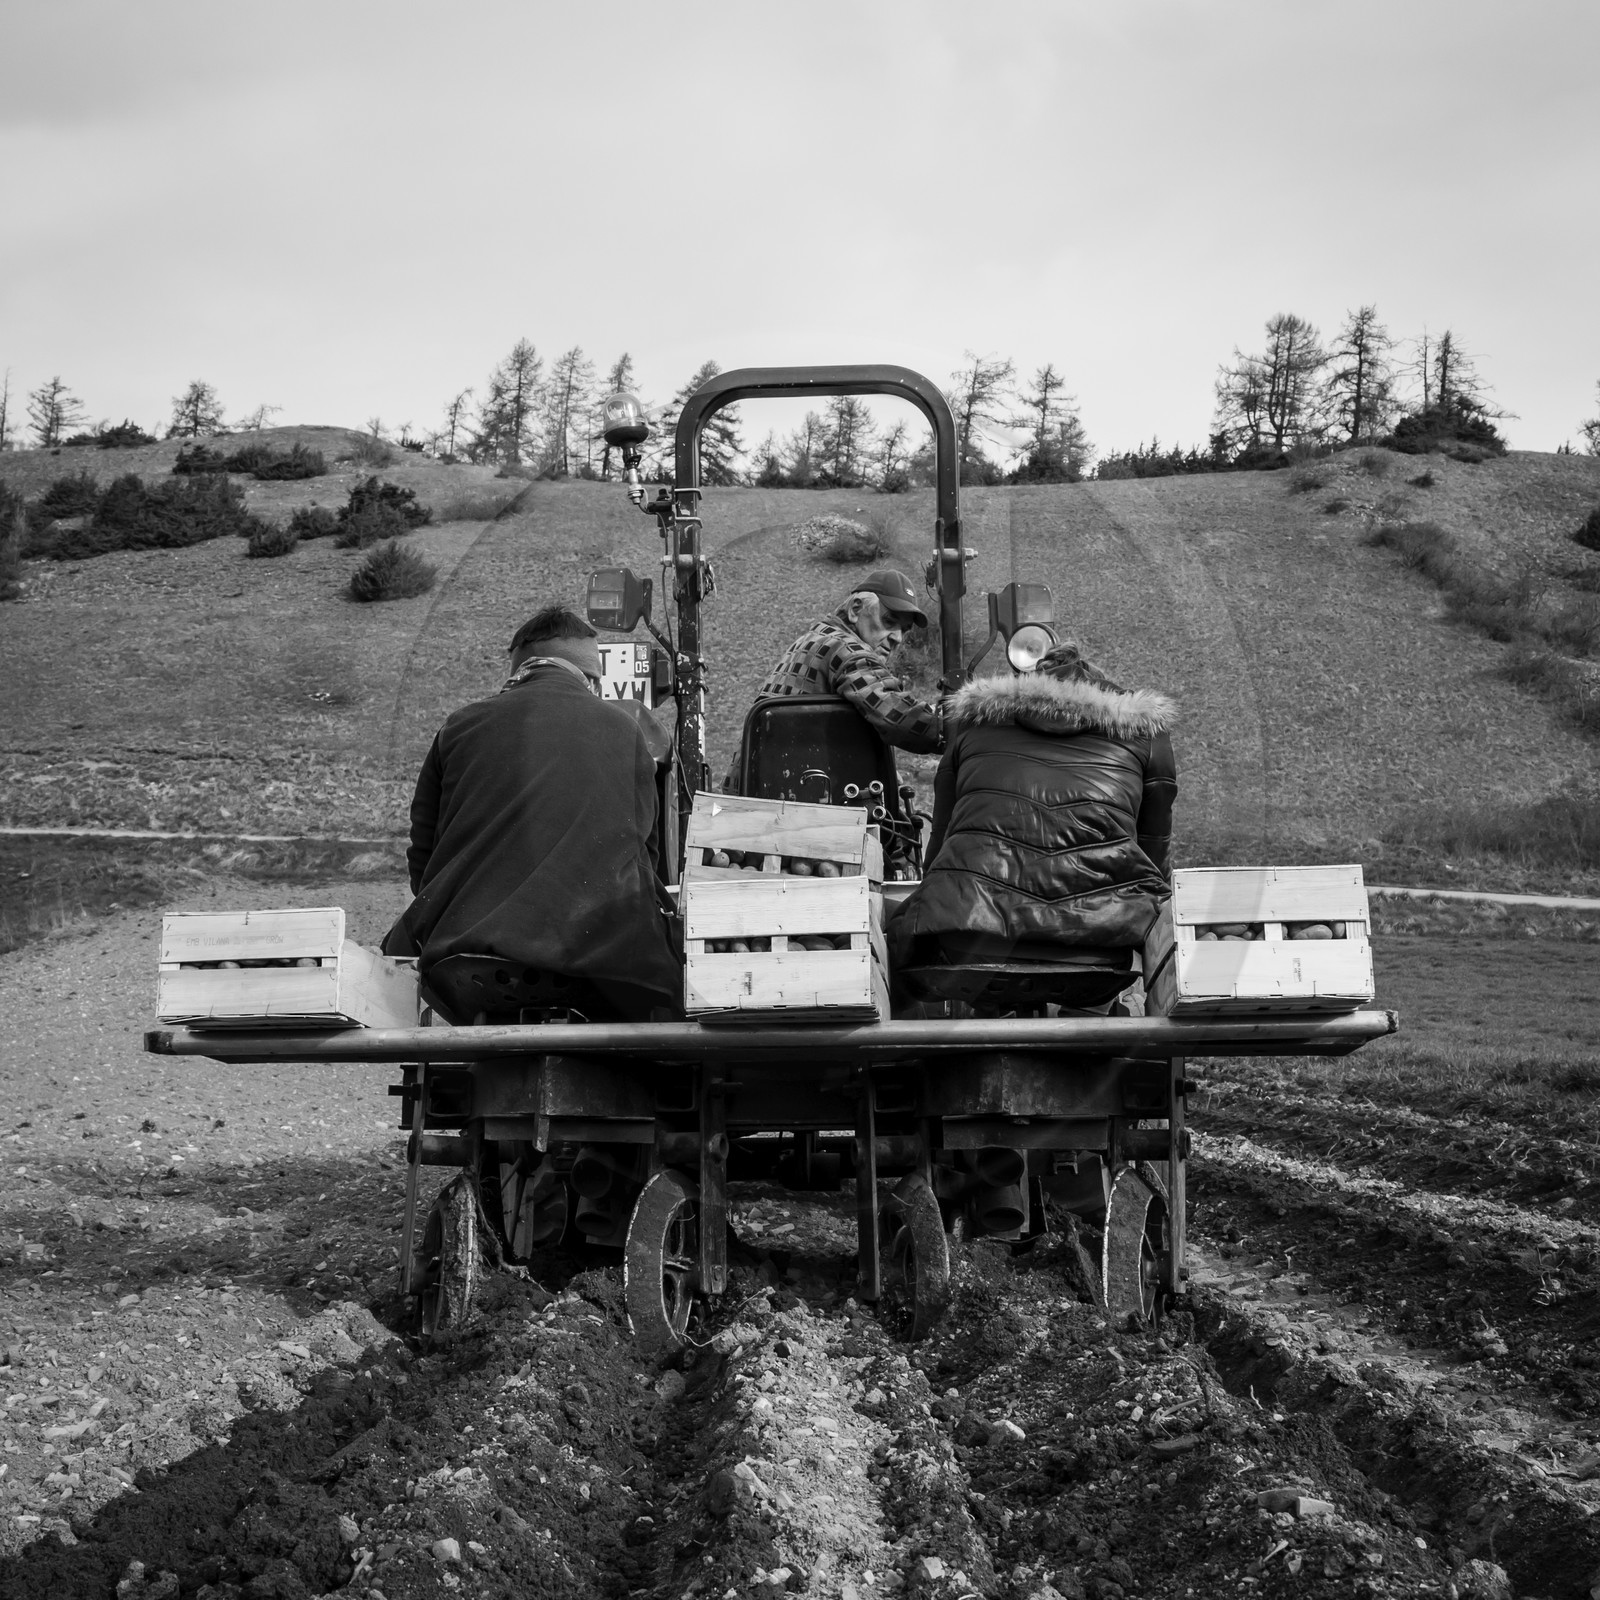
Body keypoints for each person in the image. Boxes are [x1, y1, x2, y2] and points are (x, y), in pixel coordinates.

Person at [383, 604, 680, 1021]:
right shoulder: (625, 731)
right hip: (603, 959)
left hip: (463, 958)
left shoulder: (459, 726)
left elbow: (423, 861)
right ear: (590, 676)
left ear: (518, 665)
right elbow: (645, 859)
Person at [887, 638, 1177, 975]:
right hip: (1102, 939)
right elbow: (1154, 852)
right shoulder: (1145, 733)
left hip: (970, 932)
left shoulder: (975, 721)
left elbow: (942, 838)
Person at [751, 570, 945, 755]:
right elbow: (897, 717)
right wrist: (954, 727)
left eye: (904, 629)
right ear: (855, 609)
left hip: (756, 779)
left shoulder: (810, 640)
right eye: (889, 621)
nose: (898, 638)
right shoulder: (848, 650)